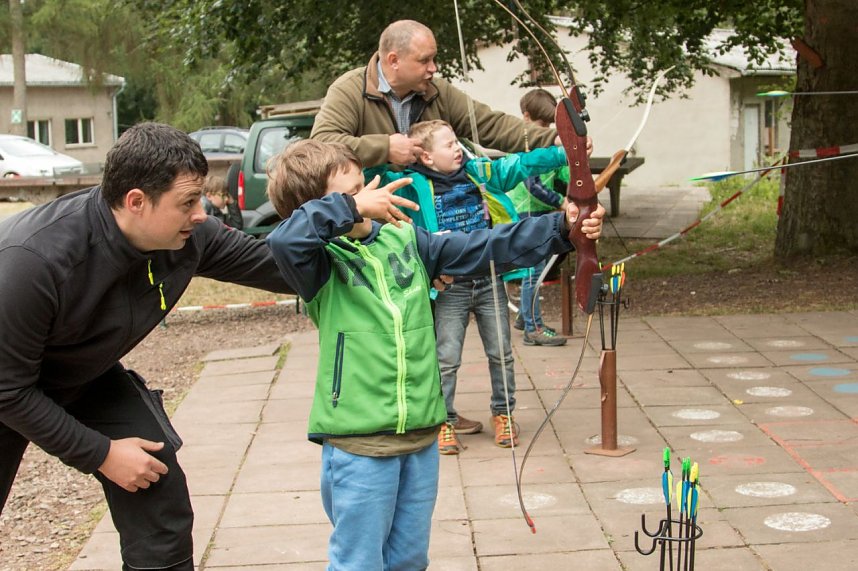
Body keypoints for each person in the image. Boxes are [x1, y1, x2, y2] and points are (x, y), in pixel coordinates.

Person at [264, 138, 598, 571]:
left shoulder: (405, 238)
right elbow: (283, 240)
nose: (371, 197)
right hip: (360, 441)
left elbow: (484, 245)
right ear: (323, 208)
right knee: (359, 562)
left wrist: (563, 227)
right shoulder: (318, 262)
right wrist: (351, 208)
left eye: (364, 186)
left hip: (421, 433)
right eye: (352, 196)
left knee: (409, 559)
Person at [0, 122, 294, 571]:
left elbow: (279, 264)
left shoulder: (188, 238)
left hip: (80, 372)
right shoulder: (34, 262)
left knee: (154, 483)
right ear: (136, 201)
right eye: (187, 202)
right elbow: (8, 390)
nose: (202, 213)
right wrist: (101, 453)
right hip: (6, 382)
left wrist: (356, 228)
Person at [367, 119, 605, 454]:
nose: (458, 149)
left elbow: (518, 165)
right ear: (426, 157)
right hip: (450, 285)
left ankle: (503, 413)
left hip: (488, 277)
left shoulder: (479, 173)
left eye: (457, 143)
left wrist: (565, 154)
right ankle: (442, 420)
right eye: (449, 145)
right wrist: (385, 149)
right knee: (446, 357)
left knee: (502, 352)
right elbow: (368, 175)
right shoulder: (410, 183)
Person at [310, 19, 560, 168]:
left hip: (430, 221)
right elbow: (321, 145)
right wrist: (384, 148)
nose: (434, 68)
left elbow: (491, 125)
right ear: (394, 60)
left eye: (434, 58)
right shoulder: (349, 89)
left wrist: (556, 140)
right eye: (424, 60)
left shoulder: (437, 91)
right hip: (374, 229)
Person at [508, 88, 576, 346]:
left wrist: (574, 178)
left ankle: (525, 318)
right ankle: (533, 329)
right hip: (525, 211)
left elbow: (559, 174)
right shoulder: (524, 142)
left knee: (538, 268)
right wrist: (561, 201)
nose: (546, 129)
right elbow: (532, 184)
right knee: (533, 271)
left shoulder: (546, 141)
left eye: (550, 125)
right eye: (542, 123)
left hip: (540, 211)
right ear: (526, 117)